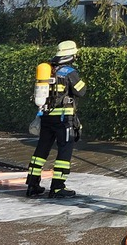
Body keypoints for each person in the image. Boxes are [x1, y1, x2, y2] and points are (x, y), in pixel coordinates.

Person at [26, 40, 87, 199]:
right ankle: (58, 187)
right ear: (70, 55)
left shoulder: (49, 69)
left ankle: (32, 185)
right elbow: (82, 91)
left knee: (41, 150)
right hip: (63, 119)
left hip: (46, 116)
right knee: (65, 150)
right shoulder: (69, 72)